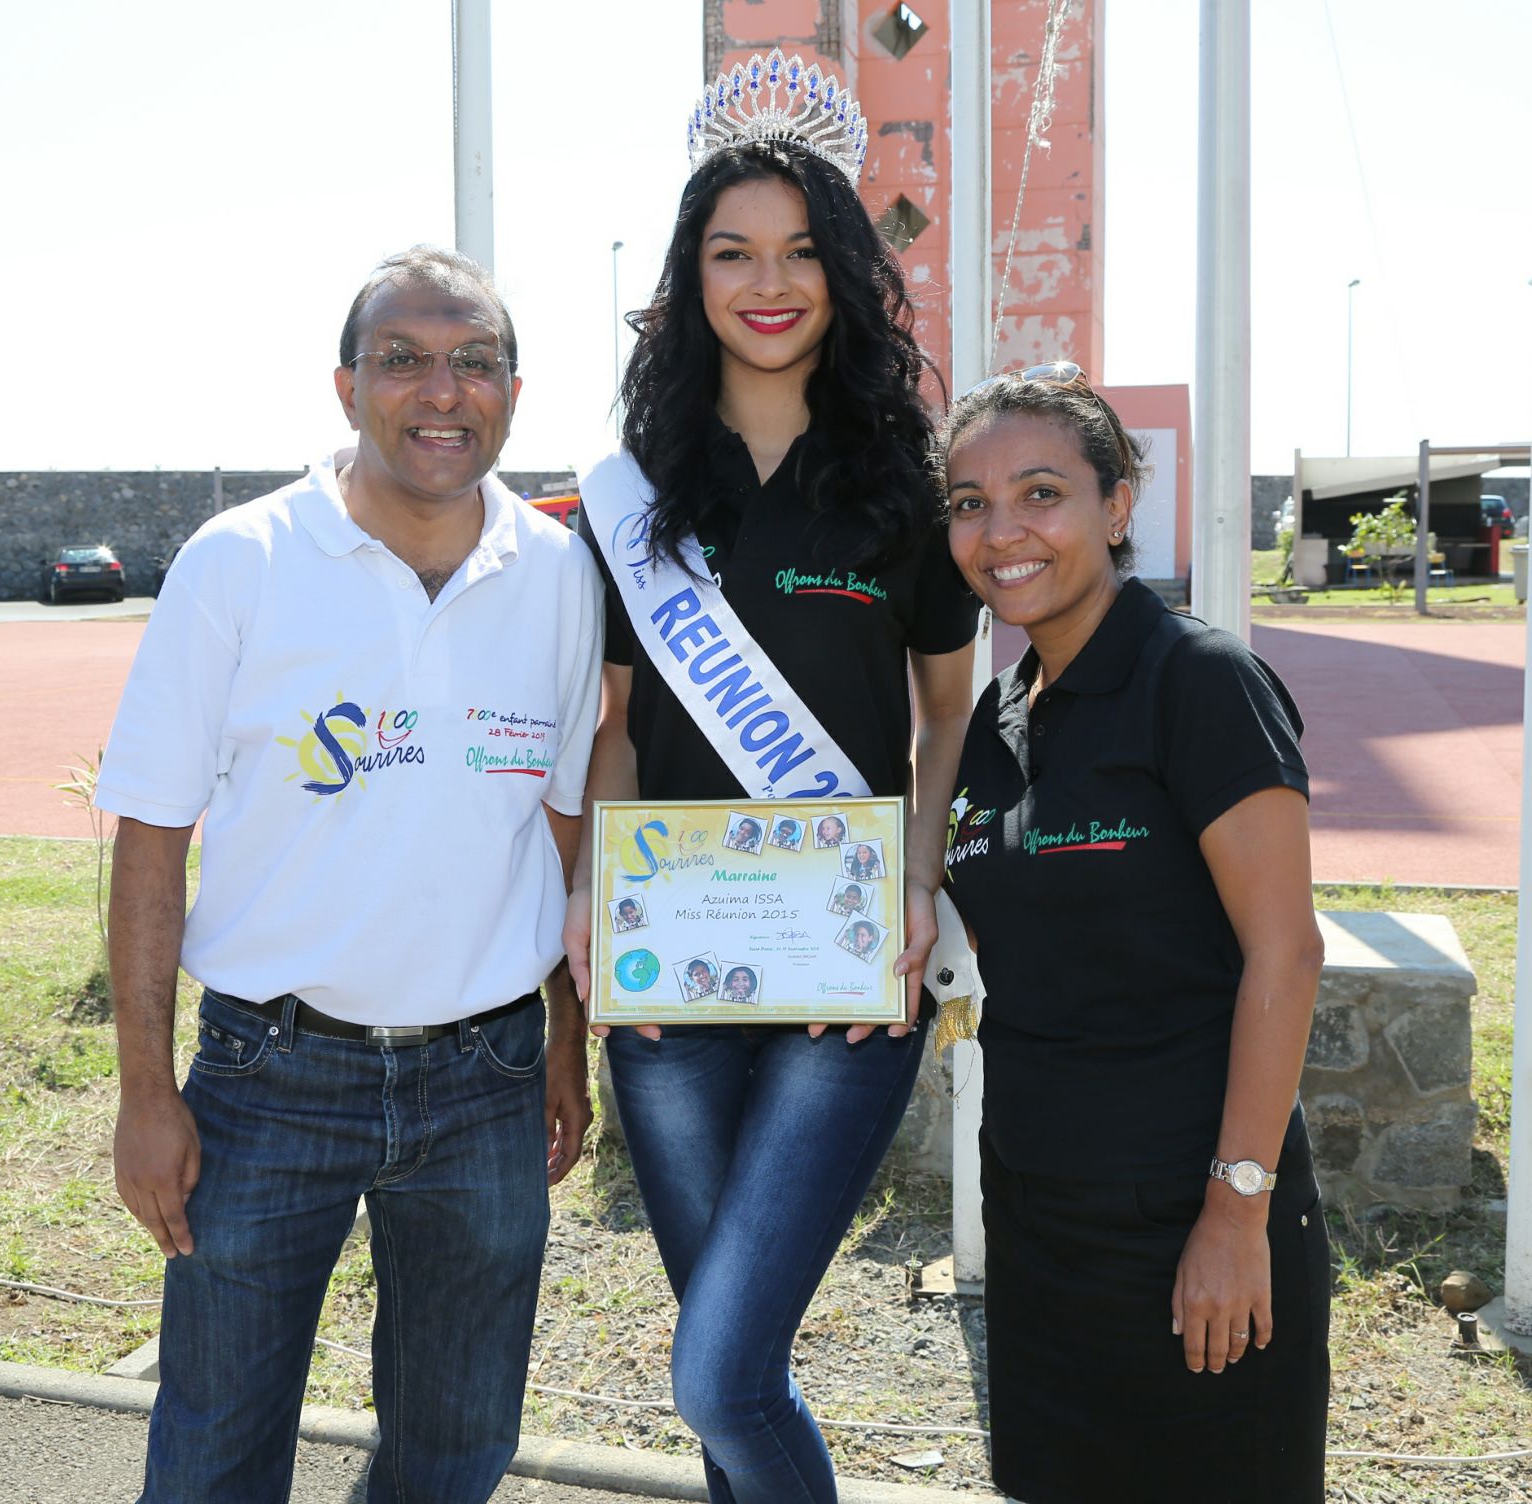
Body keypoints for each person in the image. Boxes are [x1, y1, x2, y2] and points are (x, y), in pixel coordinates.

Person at [96, 247, 604, 1504]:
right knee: (215, 1448)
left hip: (484, 1081)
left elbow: (559, 821)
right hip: (270, 1077)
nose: (443, 390)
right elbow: (151, 835)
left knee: (456, 1444)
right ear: (345, 387)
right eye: (405, 360)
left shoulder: (556, 578)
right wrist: (146, 1093)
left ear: (514, 394)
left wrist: (562, 1038)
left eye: (474, 361)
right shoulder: (241, 561)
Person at [567, 50, 978, 1504]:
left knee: (718, 1370)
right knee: (726, 1362)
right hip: (670, 976)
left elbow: (945, 714)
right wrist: (589, 910)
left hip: (840, 974)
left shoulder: (901, 481)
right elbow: (615, 728)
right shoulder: (636, 490)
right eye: (733, 252)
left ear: (846, 271)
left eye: (803, 251)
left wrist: (917, 888)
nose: (770, 282)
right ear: (692, 278)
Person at [936, 362, 1330, 1504]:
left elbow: (1285, 951)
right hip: (1040, 1226)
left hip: (1189, 1225)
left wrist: (1233, 1211)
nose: (1000, 531)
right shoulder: (1000, 718)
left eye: (1041, 494)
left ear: (1117, 506)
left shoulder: (1196, 680)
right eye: (969, 503)